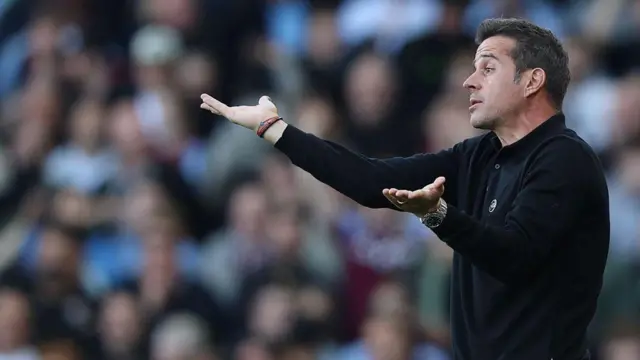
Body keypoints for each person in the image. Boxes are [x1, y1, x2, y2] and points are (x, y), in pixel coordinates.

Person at [200, 18, 609, 360]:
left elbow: (513, 256)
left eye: (487, 68)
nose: (469, 81)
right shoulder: (479, 155)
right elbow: (370, 181)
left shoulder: (563, 159)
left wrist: (437, 216)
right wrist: (275, 130)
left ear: (532, 80)